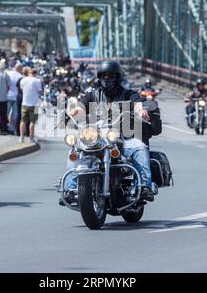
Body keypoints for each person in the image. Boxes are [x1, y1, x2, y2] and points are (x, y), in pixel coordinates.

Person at [63, 60, 156, 203]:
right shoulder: (92, 95)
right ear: (99, 77)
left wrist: (141, 111)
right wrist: (72, 113)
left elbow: (137, 105)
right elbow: (80, 108)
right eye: (103, 75)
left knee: (139, 148)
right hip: (98, 137)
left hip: (122, 137)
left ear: (118, 77)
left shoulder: (129, 94)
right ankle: (70, 189)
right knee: (75, 151)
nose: (107, 78)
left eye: (110, 75)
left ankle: (144, 185)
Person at [19, 68, 42, 143]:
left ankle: (21, 137)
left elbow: (21, 89)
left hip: (24, 103)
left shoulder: (23, 80)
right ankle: (31, 138)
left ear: (29, 73)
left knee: (23, 121)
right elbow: (40, 91)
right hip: (34, 104)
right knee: (32, 121)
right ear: (35, 74)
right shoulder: (37, 81)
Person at [6, 62, 23, 135]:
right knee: (15, 114)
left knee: (6, 113)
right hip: (16, 97)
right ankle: (13, 128)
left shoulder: (8, 73)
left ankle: (5, 128)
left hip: (7, 95)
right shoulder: (21, 76)